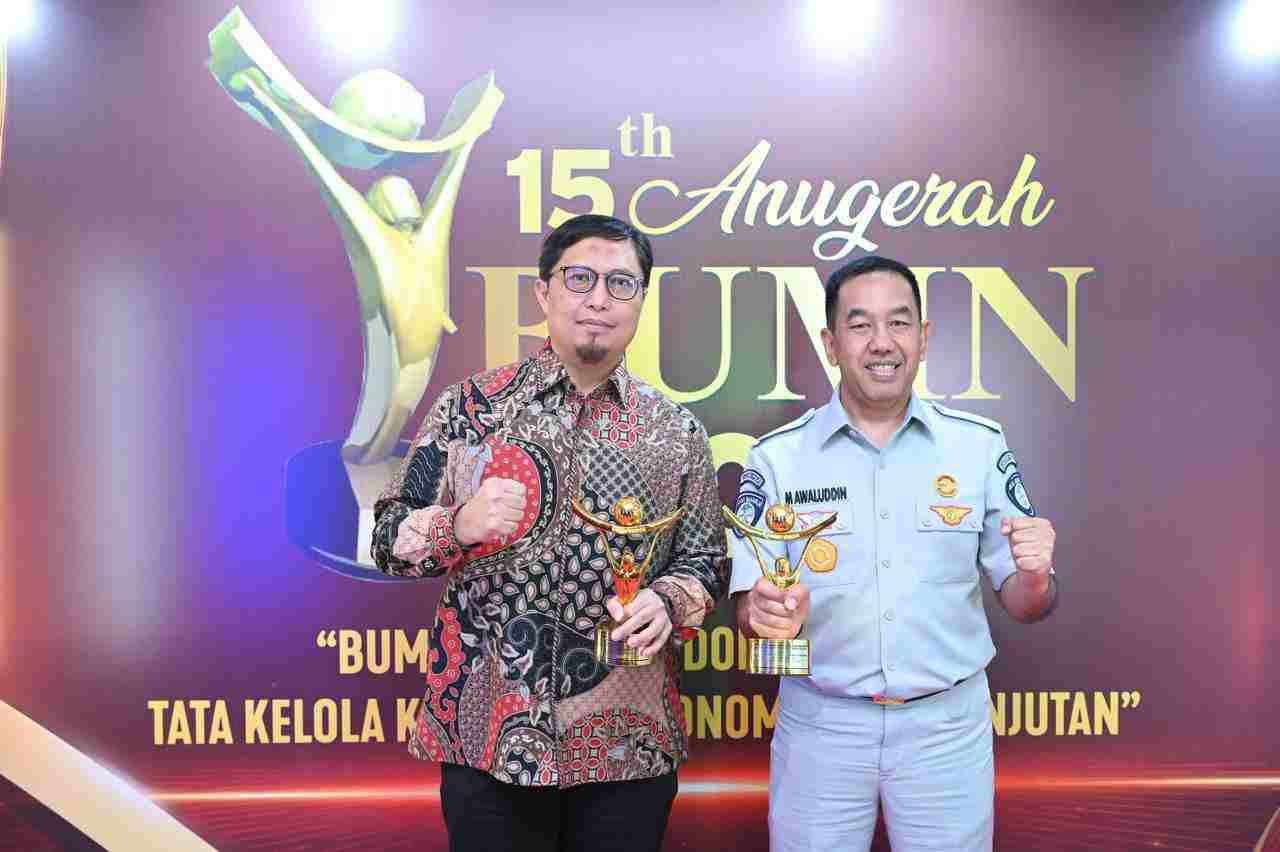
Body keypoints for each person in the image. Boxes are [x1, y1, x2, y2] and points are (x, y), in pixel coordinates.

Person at [372, 214, 728, 852]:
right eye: (580, 278)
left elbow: (707, 561)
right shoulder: (469, 410)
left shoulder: (677, 432)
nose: (599, 299)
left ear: (641, 299)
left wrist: (669, 600)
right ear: (544, 292)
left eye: (621, 283)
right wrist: (458, 524)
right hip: (488, 741)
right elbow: (386, 541)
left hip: (627, 744)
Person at [731, 255, 1058, 851]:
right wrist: (763, 613)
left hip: (946, 729)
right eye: (860, 325)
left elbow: (1026, 601)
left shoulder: (978, 447)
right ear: (831, 344)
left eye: (899, 322)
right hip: (821, 727)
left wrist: (1035, 576)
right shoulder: (776, 458)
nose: (882, 342)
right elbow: (748, 617)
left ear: (923, 338)